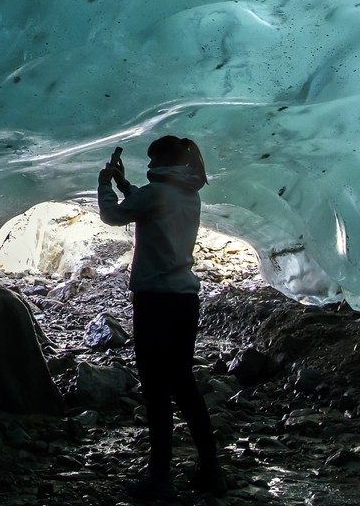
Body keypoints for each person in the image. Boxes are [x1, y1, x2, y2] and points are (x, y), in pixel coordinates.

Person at [98, 136, 228, 500]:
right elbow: (154, 202)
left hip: (155, 301)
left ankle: (159, 478)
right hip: (185, 299)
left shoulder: (157, 193)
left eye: (153, 158)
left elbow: (113, 215)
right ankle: (211, 470)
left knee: (156, 389)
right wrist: (127, 186)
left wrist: (105, 185)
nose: (150, 164)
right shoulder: (189, 192)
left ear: (162, 161)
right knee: (184, 385)